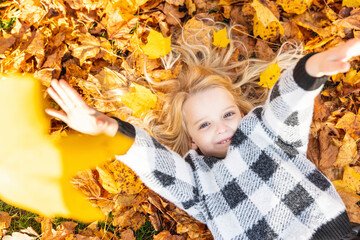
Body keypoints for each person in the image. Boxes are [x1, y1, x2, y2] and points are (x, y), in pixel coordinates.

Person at [46, 27, 360, 239]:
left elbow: (287, 103)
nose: (222, 127)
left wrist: (314, 67)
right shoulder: (199, 184)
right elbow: (155, 165)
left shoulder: (269, 136)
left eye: (227, 115)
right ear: (192, 141)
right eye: (205, 124)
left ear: (241, 113)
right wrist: (110, 129)